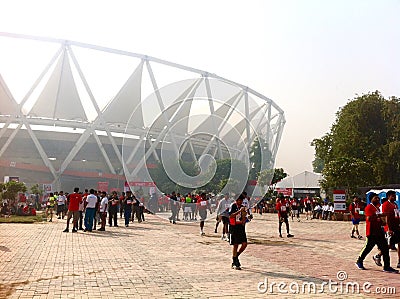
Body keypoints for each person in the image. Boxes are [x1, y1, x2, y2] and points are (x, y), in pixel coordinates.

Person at [355, 193, 398, 272]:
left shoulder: (377, 208)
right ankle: (359, 261)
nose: (377, 199)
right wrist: (380, 215)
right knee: (368, 248)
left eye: (378, 198)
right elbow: (369, 218)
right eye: (375, 198)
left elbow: (379, 219)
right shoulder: (369, 207)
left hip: (379, 232)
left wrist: (383, 222)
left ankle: (387, 266)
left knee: (385, 249)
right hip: (371, 232)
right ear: (371, 199)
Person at [381, 190, 400, 267]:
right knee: (389, 245)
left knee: (399, 243)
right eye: (393, 196)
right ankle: (378, 255)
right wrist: (389, 229)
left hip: (397, 227)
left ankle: (399, 261)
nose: (395, 197)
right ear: (389, 196)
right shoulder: (386, 204)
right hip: (390, 228)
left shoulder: (395, 205)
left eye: (395, 195)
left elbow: (397, 215)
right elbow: (386, 217)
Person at [229, 194, 248, 270]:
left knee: (244, 244)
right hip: (234, 227)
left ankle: (235, 256)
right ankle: (235, 261)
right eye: (238, 200)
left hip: (241, 227)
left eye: (241, 200)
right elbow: (231, 216)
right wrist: (239, 211)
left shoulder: (243, 207)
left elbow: (245, 217)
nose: (240, 202)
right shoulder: (233, 206)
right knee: (235, 244)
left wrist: (246, 218)